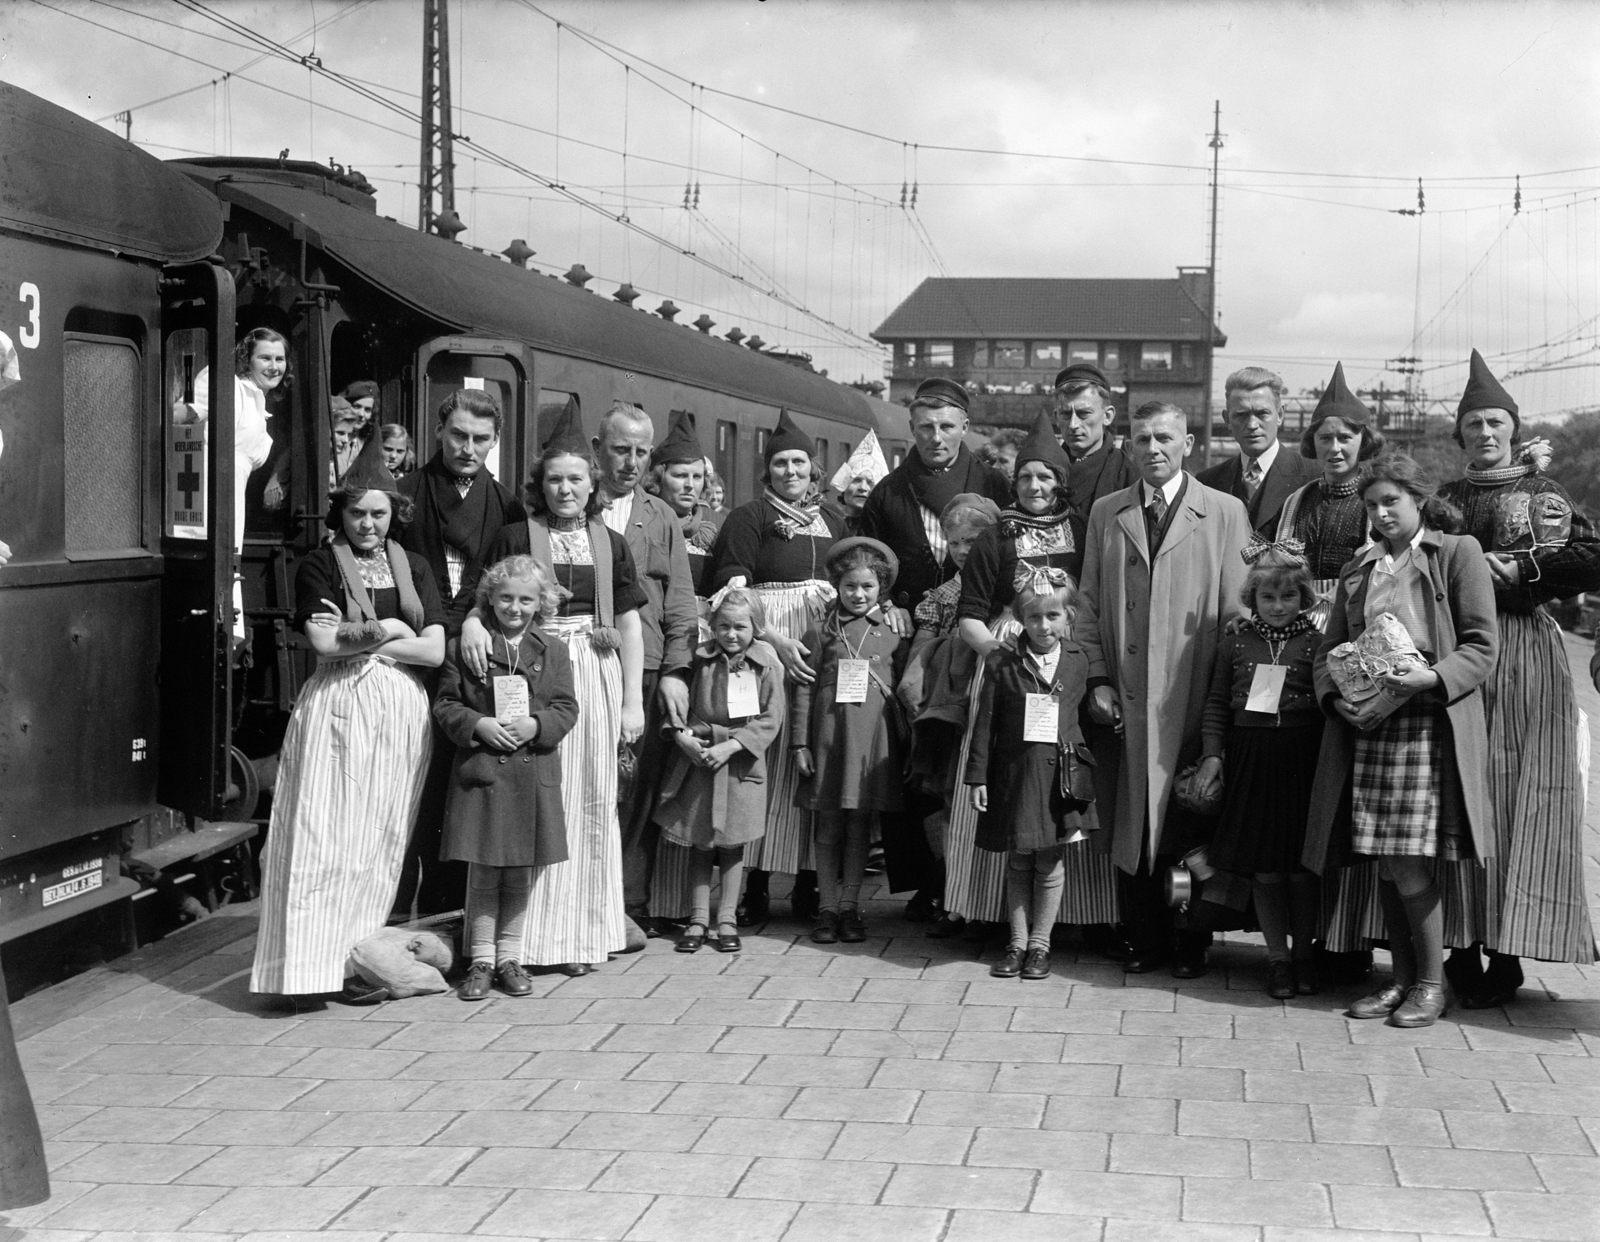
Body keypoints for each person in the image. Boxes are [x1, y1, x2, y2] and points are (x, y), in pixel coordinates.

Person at [1304, 450, 1498, 1028]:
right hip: (1370, 722)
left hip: (1426, 720)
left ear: (1418, 500)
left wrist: (1431, 679)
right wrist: (1337, 701)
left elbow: (1482, 646)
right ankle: (1403, 981)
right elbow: (1328, 652)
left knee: (1407, 862)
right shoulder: (1359, 569)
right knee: (1388, 864)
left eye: (1392, 501)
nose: (1382, 513)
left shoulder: (1455, 554)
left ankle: (1430, 986)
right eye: (1372, 504)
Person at [251, 438, 446, 999]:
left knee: (378, 840)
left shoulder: (414, 566)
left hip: (401, 716)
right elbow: (322, 641)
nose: (367, 523)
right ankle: (303, 972)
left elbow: (433, 651)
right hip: (338, 709)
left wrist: (360, 635)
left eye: (378, 513)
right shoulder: (319, 563)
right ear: (341, 512)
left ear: (393, 514)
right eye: (357, 512)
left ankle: (359, 964)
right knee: (322, 833)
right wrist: (394, 630)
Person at [1436, 350, 1600, 1005]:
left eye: (1495, 422)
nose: (1485, 432)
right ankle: (1460, 939)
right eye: (1473, 423)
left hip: (1527, 649)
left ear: (1513, 428)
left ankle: (1508, 944)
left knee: (1522, 792)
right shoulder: (1445, 500)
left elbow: (1590, 561)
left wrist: (1524, 574)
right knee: (1461, 791)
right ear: (1461, 436)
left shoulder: (1543, 495)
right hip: (1457, 652)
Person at [467, 403, 647, 974]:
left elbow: (630, 624)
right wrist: (473, 622)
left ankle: (579, 937)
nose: (565, 488)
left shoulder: (610, 543)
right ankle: (528, 942)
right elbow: (484, 598)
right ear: (538, 485)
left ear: (592, 484)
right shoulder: (518, 534)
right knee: (540, 796)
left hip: (593, 674)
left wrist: (633, 701)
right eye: (554, 478)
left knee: (591, 798)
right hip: (532, 670)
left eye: (575, 478)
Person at [1078, 400, 1251, 977]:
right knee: (1133, 822)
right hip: (1126, 695)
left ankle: (1187, 938)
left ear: (1188, 444)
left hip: (1191, 691)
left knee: (1182, 826)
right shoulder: (1109, 511)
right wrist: (1098, 677)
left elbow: (1236, 610)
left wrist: (1217, 703)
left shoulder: (1224, 512)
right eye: (1142, 438)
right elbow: (1086, 604)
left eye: (1165, 438)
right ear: (1127, 444)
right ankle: (1142, 936)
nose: (1153, 448)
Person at [855, 377, 1011, 917]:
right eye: (925, 427)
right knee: (919, 768)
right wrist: (892, 600)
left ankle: (982, 882)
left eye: (947, 426)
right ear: (911, 430)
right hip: (914, 637)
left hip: (985, 634)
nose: (936, 437)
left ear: (965, 426)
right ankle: (930, 882)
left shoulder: (994, 482)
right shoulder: (888, 492)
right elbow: (870, 561)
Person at [708, 411, 847, 924]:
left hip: (819, 648)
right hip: (769, 647)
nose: (791, 471)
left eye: (800, 463)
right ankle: (758, 882)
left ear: (815, 470)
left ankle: (811, 882)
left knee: (811, 754)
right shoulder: (749, 517)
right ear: (768, 471)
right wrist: (774, 640)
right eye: (781, 463)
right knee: (766, 753)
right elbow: (730, 589)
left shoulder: (833, 519)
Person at [395, 388, 527, 917]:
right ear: (438, 433)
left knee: (462, 779)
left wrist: (474, 619)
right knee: (410, 779)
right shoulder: (406, 494)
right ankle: (400, 906)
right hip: (416, 649)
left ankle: (454, 909)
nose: (467, 448)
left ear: (494, 442)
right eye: (457, 435)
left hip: (475, 656)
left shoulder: (505, 503)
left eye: (480, 439)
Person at [1276, 363, 1386, 974]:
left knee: (1352, 790)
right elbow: (1270, 572)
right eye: (1325, 438)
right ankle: (1311, 938)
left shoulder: (1377, 500)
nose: (1336, 448)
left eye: (1346, 438)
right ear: (1312, 445)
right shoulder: (1296, 500)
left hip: (1358, 640)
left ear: (1364, 443)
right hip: (1298, 645)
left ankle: (1355, 939)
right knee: (1306, 791)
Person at [435, 555, 579, 1000]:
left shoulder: (553, 649)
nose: (515, 608)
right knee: (483, 870)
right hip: (483, 773)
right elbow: (446, 704)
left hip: (531, 773)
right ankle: (479, 958)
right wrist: (477, 725)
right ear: (490, 599)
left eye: (526, 600)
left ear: (541, 604)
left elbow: (566, 707)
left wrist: (537, 725)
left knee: (518, 871)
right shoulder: (467, 644)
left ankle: (509, 956)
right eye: (505, 599)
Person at [1196, 540, 1325, 998]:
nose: (1276, 606)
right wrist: (1215, 754)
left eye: (1287, 597)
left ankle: (1305, 955)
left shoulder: (1318, 641)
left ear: (1304, 598)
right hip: (1251, 757)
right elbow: (1215, 703)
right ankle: (1277, 960)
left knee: (1301, 869)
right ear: (1253, 598)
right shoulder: (1234, 639)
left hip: (1301, 759)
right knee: (1267, 871)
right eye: (1267, 598)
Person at [588, 401, 697, 938]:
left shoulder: (661, 517)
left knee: (639, 787)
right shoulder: (570, 507)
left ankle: (627, 905)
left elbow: (680, 601)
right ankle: (583, 898)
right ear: (597, 450)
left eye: (640, 452)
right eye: (619, 450)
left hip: (648, 667)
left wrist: (677, 670)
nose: (630, 462)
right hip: (581, 667)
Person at [967, 569, 1098, 981]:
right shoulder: (1002, 659)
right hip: (1016, 774)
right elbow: (984, 722)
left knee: (1050, 861)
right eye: (1035, 617)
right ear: (1022, 618)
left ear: (1069, 617)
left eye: (1053, 616)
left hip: (1061, 776)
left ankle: (1040, 946)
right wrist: (978, 777)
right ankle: (1016, 944)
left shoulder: (1079, 659)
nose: (1044, 626)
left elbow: (1082, 718)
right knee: (1020, 860)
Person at [654, 586, 787, 954]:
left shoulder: (767, 664)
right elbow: (678, 710)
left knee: (731, 844)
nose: (731, 634)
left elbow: (771, 717)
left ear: (756, 628)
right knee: (701, 843)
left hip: (740, 764)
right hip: (701, 760)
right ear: (713, 626)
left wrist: (733, 744)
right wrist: (683, 738)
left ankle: (726, 918)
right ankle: (698, 919)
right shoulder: (700, 660)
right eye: (724, 626)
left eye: (740, 627)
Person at [792, 538, 908, 944]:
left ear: (882, 590)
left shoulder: (893, 630)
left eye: (868, 588)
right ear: (837, 587)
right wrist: (798, 744)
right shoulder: (820, 631)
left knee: (860, 824)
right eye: (850, 587)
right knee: (827, 824)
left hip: (871, 739)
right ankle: (825, 907)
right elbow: (804, 689)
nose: (858, 595)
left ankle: (850, 907)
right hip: (828, 737)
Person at [902, 494, 1002, 906]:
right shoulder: (942, 596)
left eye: (973, 540)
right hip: (951, 704)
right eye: (955, 542)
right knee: (948, 795)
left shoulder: (1003, 587)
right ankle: (950, 889)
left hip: (993, 703)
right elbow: (919, 656)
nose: (963, 551)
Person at [175, 326, 287, 640]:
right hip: (211, 488)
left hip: (232, 494)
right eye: (265, 357)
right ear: (247, 359)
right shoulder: (229, 385)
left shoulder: (258, 401)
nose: (274, 366)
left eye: (279, 359)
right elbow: (192, 412)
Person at [1198, 366, 1321, 539]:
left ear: (1280, 415)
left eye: (1262, 413)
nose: (1252, 425)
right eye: (1241, 415)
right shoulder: (1207, 482)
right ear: (1227, 420)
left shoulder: (1313, 476)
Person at [644, 411, 724, 600]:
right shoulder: (642, 523)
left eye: (697, 477)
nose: (690, 484)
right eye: (680, 475)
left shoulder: (713, 532)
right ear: (659, 478)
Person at [1051, 362, 1136, 517]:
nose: (1073, 425)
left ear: (1108, 416)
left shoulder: (1130, 474)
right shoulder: (1043, 469)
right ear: (1056, 417)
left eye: (1084, 414)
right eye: (1065, 414)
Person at [830, 429, 890, 533]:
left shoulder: (885, 530)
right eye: (856, 480)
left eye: (870, 482)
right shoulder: (830, 524)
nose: (862, 488)